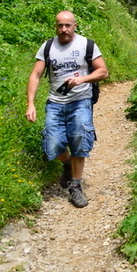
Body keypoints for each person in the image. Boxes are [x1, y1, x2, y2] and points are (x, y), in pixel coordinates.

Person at [26, 11, 109, 208]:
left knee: (80, 137)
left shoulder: (86, 45)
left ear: (75, 25)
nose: (64, 29)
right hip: (55, 102)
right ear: (56, 26)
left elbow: (103, 71)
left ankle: (75, 187)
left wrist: (81, 79)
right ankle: (67, 163)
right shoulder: (47, 46)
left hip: (81, 100)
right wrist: (30, 103)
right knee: (53, 145)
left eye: (67, 25)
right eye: (60, 25)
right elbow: (35, 75)